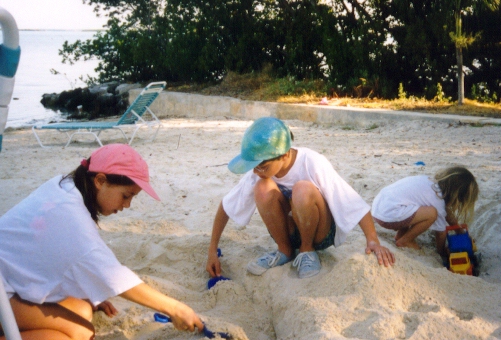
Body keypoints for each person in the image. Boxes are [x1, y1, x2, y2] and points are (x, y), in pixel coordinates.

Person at [0, 144, 203, 340]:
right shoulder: (71, 218)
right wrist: (175, 308)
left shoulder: (64, 185)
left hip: (8, 281)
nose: (127, 205)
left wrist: (89, 292)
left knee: (83, 308)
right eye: (126, 195)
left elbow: (51, 255)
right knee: (81, 333)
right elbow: (114, 277)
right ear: (100, 180)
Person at [206, 117, 395, 280]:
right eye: (253, 166)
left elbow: (352, 201)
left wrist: (373, 241)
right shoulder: (259, 172)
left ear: (285, 154)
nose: (256, 170)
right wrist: (212, 250)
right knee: (262, 187)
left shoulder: (312, 162)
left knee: (302, 188)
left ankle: (307, 251)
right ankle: (284, 251)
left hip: (319, 232)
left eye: (261, 166)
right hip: (287, 232)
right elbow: (227, 206)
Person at [371, 166, 479, 259]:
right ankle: (405, 241)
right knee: (431, 213)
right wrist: (442, 252)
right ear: (457, 196)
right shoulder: (438, 202)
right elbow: (440, 233)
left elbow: (447, 213)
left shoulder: (429, 182)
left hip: (379, 208)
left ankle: (401, 235)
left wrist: (459, 230)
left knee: (413, 204)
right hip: (388, 216)